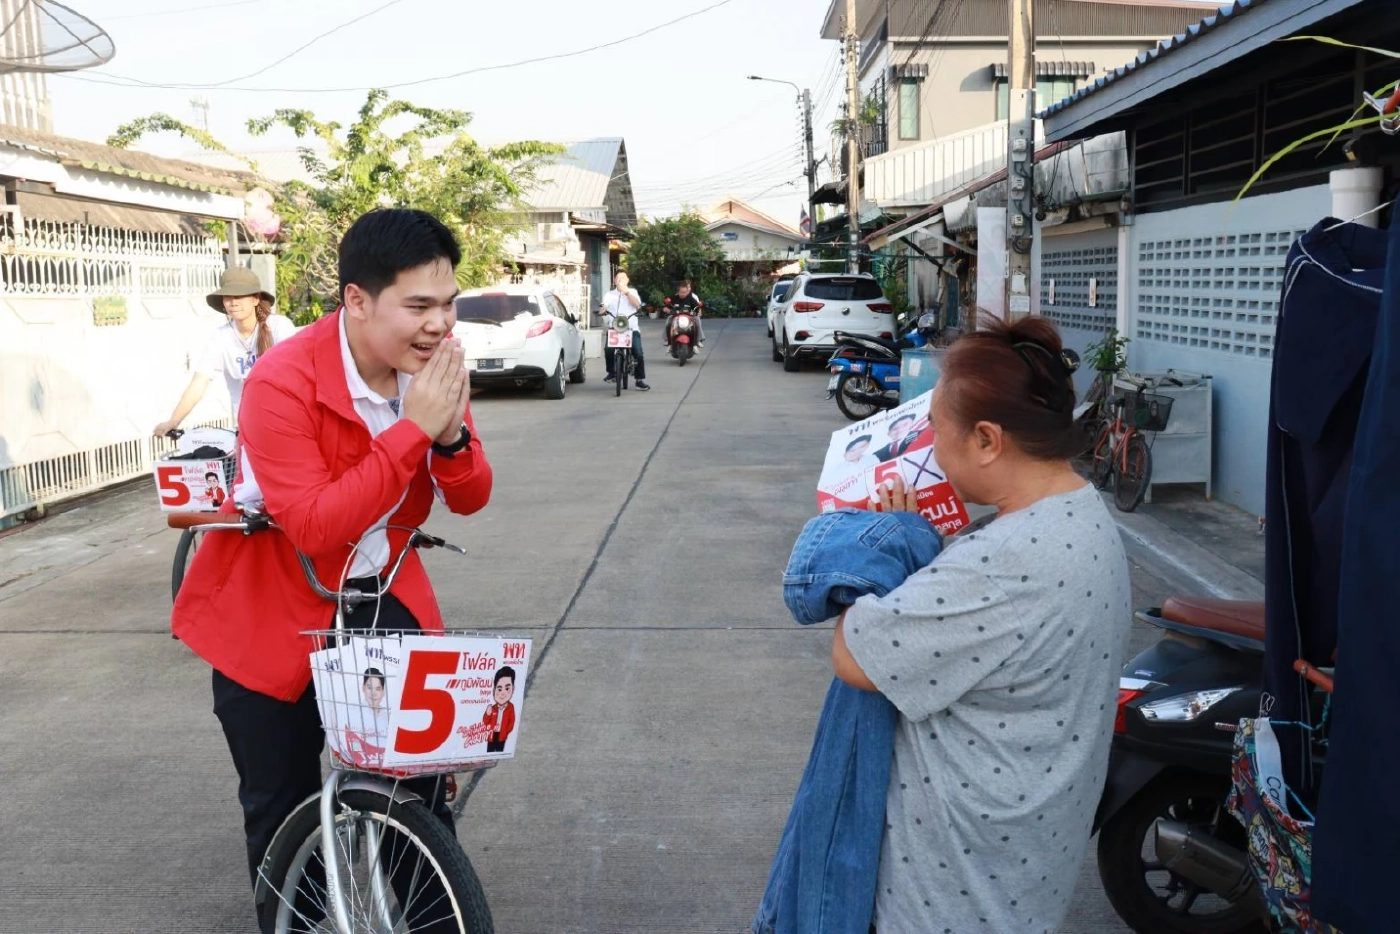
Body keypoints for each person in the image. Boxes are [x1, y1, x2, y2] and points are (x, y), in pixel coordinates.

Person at [171, 208, 492, 931]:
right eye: (418, 307)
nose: (439, 324)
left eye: (447, 304)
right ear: (357, 300)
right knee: (281, 807)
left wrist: (450, 435)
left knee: (417, 799)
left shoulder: (430, 371)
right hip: (270, 612)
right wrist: (413, 429)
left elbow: (471, 497)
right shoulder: (281, 381)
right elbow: (316, 526)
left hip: (382, 596)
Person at [828, 317, 1131, 934]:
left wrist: (893, 548)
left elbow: (853, 655)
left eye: (935, 428)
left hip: (956, 890)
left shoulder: (1001, 565)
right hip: (1025, 863)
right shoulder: (1080, 510)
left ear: (988, 439)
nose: (928, 447)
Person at [153, 266, 298, 435]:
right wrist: (173, 421)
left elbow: (294, 374)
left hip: (287, 424)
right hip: (249, 429)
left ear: (255, 299)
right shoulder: (221, 337)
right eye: (228, 297)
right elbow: (200, 381)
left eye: (239, 296)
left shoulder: (279, 327)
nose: (233, 302)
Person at [600, 271, 650, 391]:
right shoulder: (609, 294)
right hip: (615, 329)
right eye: (618, 278)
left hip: (631, 329)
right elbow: (604, 306)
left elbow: (637, 304)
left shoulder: (632, 292)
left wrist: (626, 292)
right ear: (614, 281)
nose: (620, 280)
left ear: (627, 280)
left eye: (623, 278)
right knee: (608, 349)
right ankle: (612, 372)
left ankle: (639, 380)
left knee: (638, 352)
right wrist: (602, 310)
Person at [662, 278, 706, 350]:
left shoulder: (691, 298)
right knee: (668, 320)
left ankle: (697, 341)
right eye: (681, 292)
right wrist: (667, 309)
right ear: (678, 292)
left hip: (689, 317)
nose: (683, 294)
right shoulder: (674, 298)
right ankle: (668, 341)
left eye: (685, 292)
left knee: (697, 320)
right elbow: (665, 306)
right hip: (676, 316)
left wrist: (697, 311)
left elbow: (697, 307)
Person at [483, 665, 517, 753]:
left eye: (507, 688)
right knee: (490, 751)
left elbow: (511, 722)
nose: (502, 693)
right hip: (491, 735)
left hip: (502, 735)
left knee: (499, 751)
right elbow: (486, 722)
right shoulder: (493, 708)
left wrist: (505, 732)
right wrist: (488, 714)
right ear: (494, 691)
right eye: (499, 689)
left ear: (513, 689)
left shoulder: (510, 708)